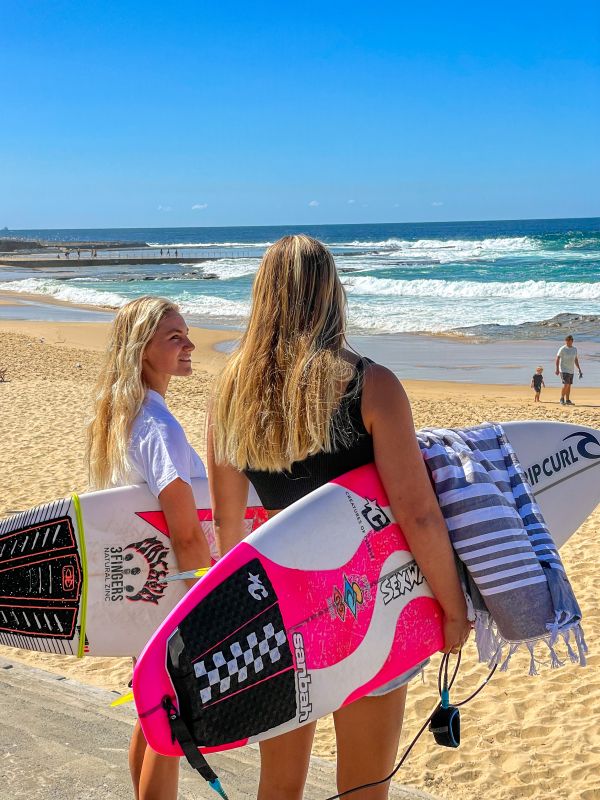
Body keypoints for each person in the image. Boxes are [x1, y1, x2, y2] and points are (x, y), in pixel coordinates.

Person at [207, 235, 471, 800]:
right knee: (364, 787)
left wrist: (234, 623)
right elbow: (418, 515)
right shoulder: (372, 385)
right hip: (368, 599)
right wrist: (453, 607)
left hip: (276, 604)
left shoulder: (230, 392)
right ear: (332, 291)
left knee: (277, 786)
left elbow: (229, 532)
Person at [86, 296, 211, 800]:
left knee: (151, 713)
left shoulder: (126, 417)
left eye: (186, 334)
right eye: (174, 338)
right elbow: (184, 531)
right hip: (172, 595)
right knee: (173, 728)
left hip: (144, 594)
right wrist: (204, 609)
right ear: (142, 351)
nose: (190, 345)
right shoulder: (156, 426)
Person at [555, 335, 582, 405]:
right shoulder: (562, 349)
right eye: (567, 341)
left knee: (569, 385)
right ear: (565, 341)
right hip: (563, 369)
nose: (568, 342)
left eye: (569, 341)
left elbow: (575, 359)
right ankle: (561, 399)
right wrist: (557, 369)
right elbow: (557, 359)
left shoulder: (574, 349)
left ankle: (567, 400)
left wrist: (579, 369)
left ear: (572, 341)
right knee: (566, 384)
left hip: (571, 370)